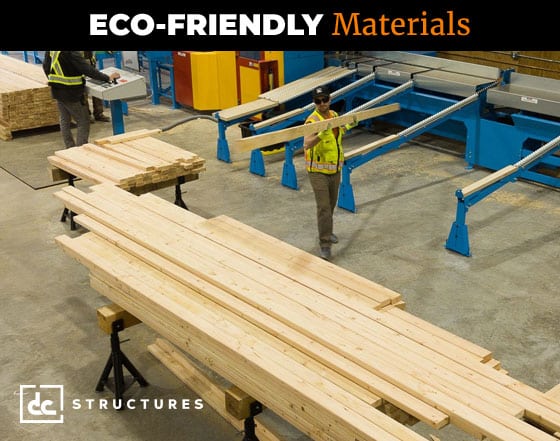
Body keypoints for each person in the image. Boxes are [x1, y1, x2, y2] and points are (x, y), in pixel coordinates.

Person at [302, 86, 352, 260]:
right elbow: (307, 143)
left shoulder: (335, 116)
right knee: (323, 207)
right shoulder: (312, 121)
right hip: (317, 171)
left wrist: (349, 125)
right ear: (314, 103)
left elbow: (338, 134)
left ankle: (327, 230)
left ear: (330, 99)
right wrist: (320, 136)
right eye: (318, 101)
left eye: (324, 100)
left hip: (335, 169)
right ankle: (325, 243)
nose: (322, 104)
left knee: (331, 205)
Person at [42, 51, 120, 149]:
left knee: (64, 119)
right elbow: (87, 69)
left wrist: (53, 80)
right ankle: (80, 150)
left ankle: (70, 147)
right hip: (71, 92)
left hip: (57, 89)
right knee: (83, 120)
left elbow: (45, 65)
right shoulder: (72, 52)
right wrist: (108, 77)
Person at [82, 51, 110, 123]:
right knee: (84, 93)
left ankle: (99, 113)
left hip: (91, 66)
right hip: (82, 68)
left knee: (97, 90)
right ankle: (87, 116)